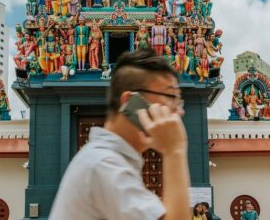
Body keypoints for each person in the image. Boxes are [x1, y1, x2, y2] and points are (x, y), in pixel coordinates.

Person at [48, 49, 191, 220]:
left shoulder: (106, 159)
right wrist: (174, 151)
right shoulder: (104, 164)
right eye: (171, 96)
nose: (179, 110)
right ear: (131, 101)